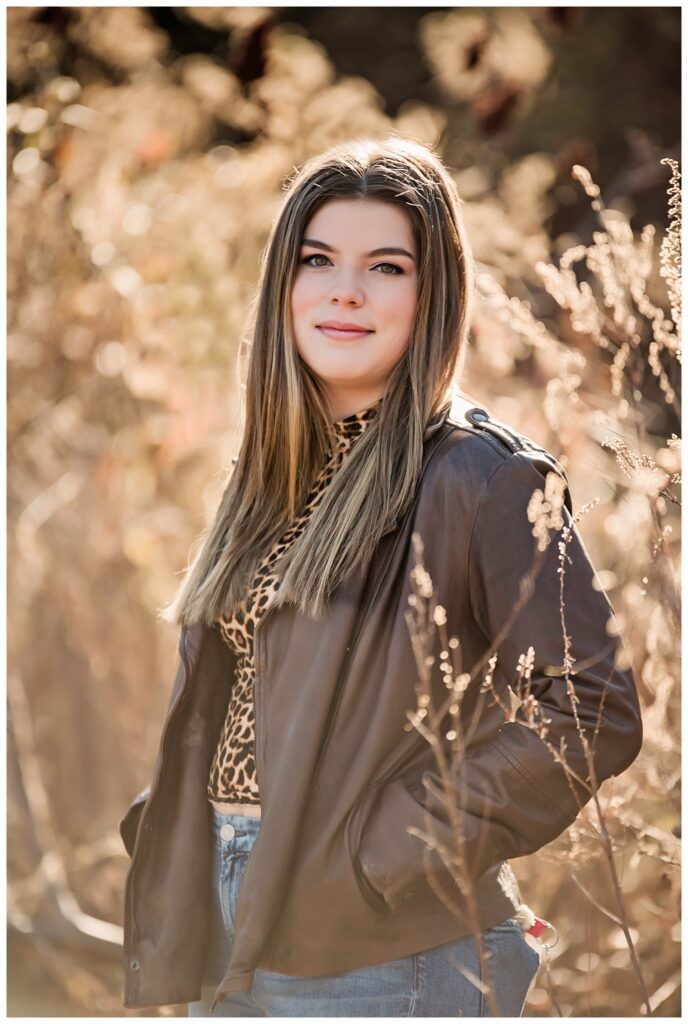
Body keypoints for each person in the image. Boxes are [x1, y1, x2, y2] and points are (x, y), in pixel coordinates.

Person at [119, 136, 643, 1017]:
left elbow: (593, 710)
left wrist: (389, 852)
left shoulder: (483, 477)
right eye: (317, 259)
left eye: (386, 267)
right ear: (284, 282)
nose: (344, 291)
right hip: (229, 915)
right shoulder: (269, 473)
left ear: (432, 293)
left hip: (387, 950)